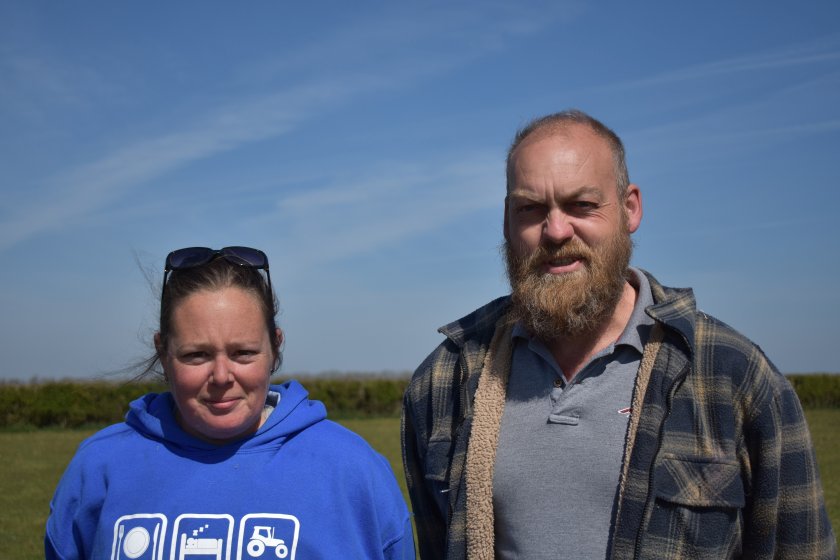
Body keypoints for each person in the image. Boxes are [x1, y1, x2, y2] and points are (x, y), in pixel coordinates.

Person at [401, 110, 836, 559]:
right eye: (530, 209)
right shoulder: (445, 381)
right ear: (507, 220)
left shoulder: (732, 376)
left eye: (581, 205)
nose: (555, 230)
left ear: (630, 208)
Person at [46, 246, 415, 560]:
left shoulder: (352, 470)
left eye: (242, 353)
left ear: (275, 347)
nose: (222, 376)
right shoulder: (99, 469)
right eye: (196, 355)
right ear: (163, 352)